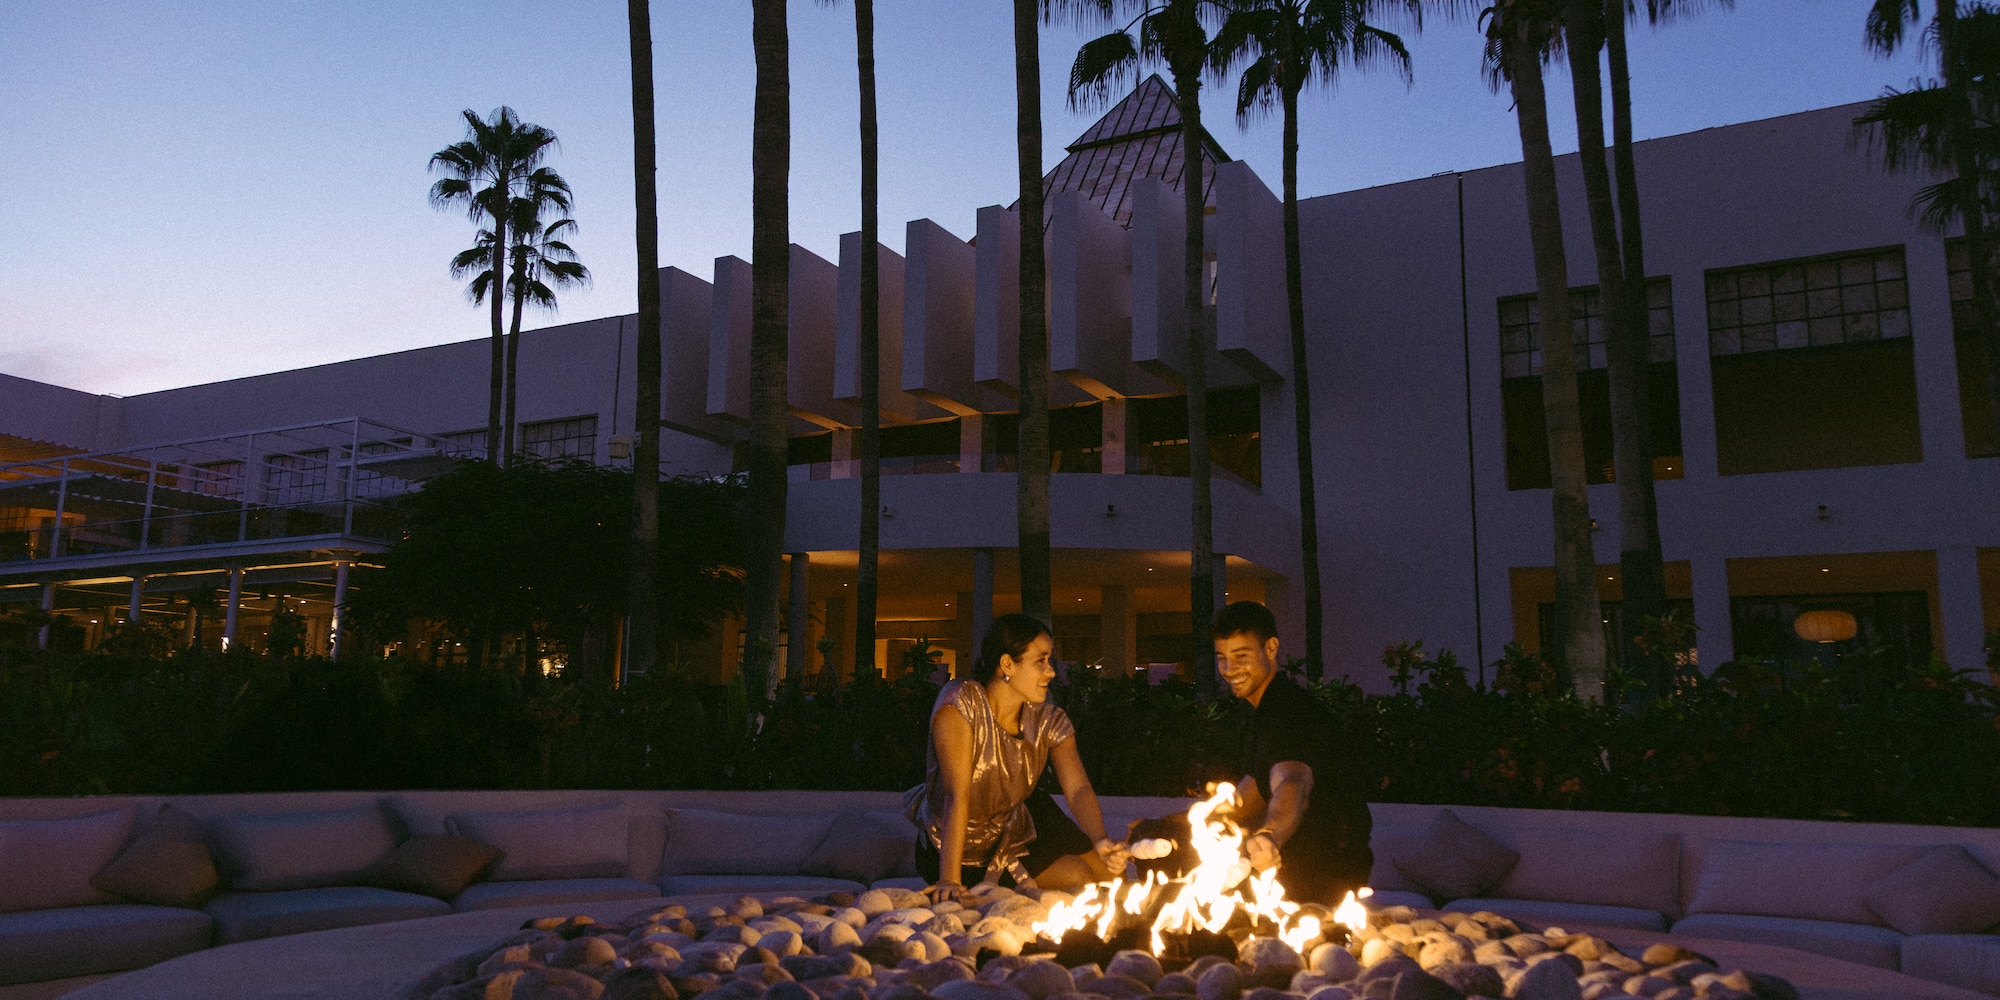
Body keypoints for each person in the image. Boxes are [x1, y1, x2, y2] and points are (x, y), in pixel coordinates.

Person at [907, 613, 1129, 902]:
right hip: (959, 846)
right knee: (1080, 878)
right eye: (1041, 661)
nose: (1051, 672)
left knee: (1112, 874)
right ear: (1007, 664)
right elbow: (956, 795)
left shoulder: (1048, 719)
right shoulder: (960, 704)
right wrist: (949, 880)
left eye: (1050, 661)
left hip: (1017, 816)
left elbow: (1077, 789)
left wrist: (1101, 840)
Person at [1212, 600, 1373, 904]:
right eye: (1222, 657)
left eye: (1241, 656)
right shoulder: (1271, 707)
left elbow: (1292, 782)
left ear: (1271, 648)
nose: (1229, 669)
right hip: (1310, 862)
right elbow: (1246, 798)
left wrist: (1271, 835)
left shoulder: (1288, 712)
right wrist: (1171, 823)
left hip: (1319, 869)